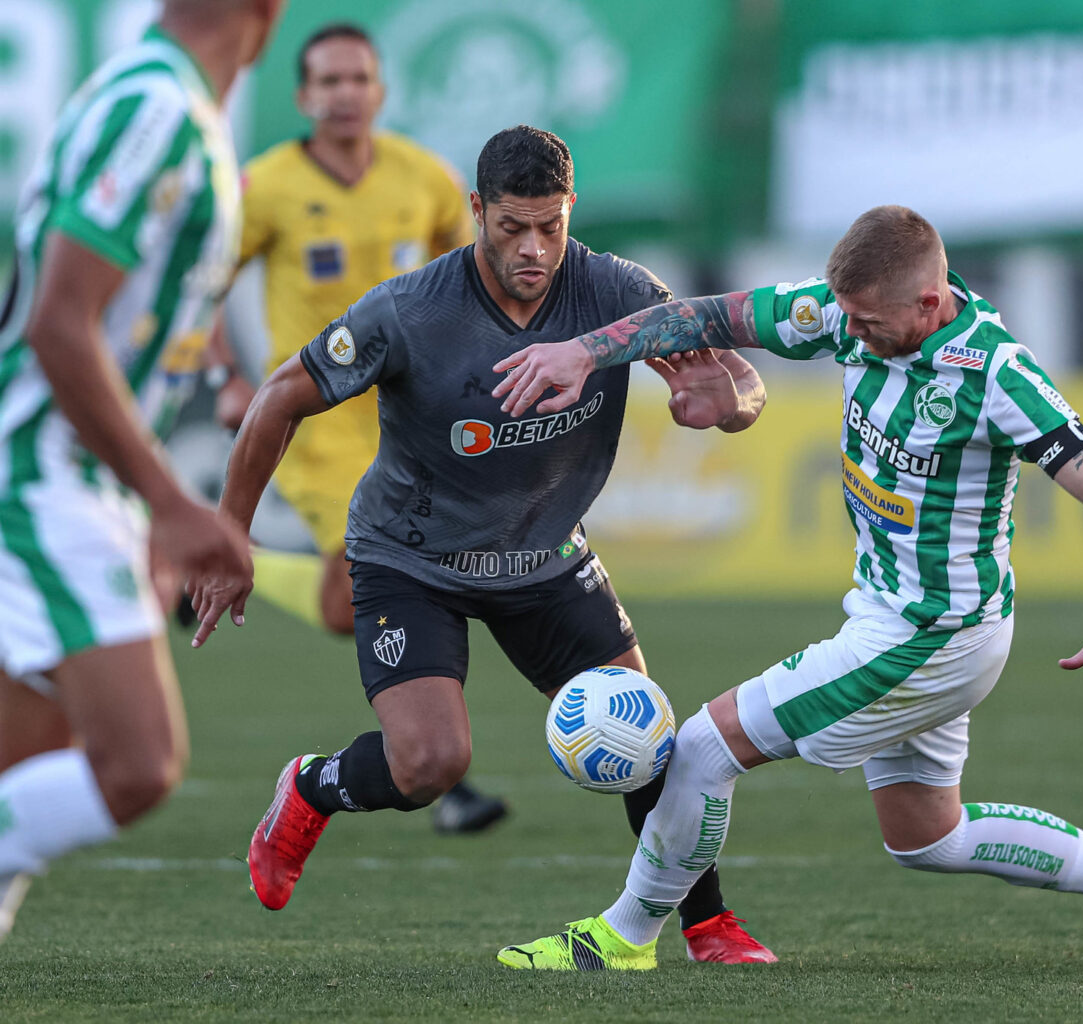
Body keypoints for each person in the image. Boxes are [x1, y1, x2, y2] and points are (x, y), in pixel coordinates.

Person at [490, 205, 1083, 972]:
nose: (849, 334)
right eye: (845, 317)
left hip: (929, 636)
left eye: (867, 323)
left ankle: (624, 937)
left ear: (929, 302)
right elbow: (707, 318)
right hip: (902, 615)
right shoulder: (845, 310)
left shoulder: (996, 372)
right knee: (929, 838)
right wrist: (588, 354)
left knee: (700, 748)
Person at [188, 125, 777, 963]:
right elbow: (280, 396)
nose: (534, 250)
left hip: (544, 557)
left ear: (571, 209)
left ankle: (708, 923)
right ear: (476, 212)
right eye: (512, 229)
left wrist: (726, 401)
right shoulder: (409, 310)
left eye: (551, 226)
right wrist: (229, 537)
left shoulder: (616, 292)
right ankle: (311, 787)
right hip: (408, 558)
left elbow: (740, 378)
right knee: (430, 764)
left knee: (647, 740)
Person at [0, 0, 285, 942]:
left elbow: (128, 328)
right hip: (45, 473)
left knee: (29, 764)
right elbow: (58, 321)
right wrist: (168, 503)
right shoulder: (157, 110)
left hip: (78, 479)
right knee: (137, 763)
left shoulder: (165, 104)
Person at [200, 22, 505, 834]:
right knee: (399, 571)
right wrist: (228, 377)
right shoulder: (263, 185)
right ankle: (442, 769)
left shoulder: (424, 180)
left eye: (357, 80)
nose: (344, 95)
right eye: (328, 82)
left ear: (380, 91)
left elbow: (470, 277)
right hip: (321, 425)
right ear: (303, 97)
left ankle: (242, 564)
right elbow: (202, 284)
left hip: (415, 419)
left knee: (350, 608)